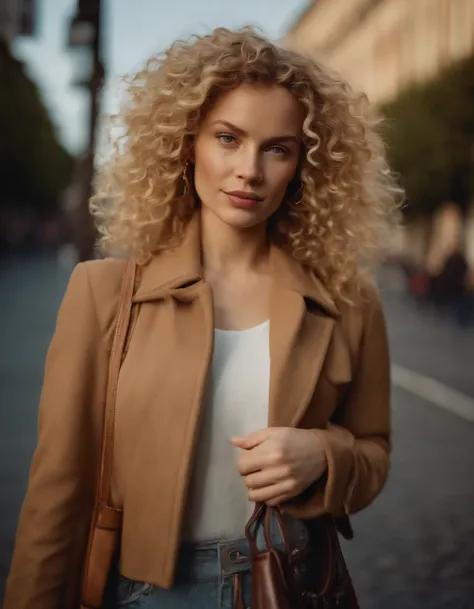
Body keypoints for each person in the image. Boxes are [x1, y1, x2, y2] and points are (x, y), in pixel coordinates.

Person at [4, 27, 401, 609]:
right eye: (228, 138)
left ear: (301, 165)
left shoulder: (349, 301)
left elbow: (374, 452)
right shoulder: (103, 293)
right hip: (145, 592)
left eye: (277, 148)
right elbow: (57, 495)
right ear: (187, 142)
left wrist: (324, 455)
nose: (249, 170)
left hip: (289, 582)